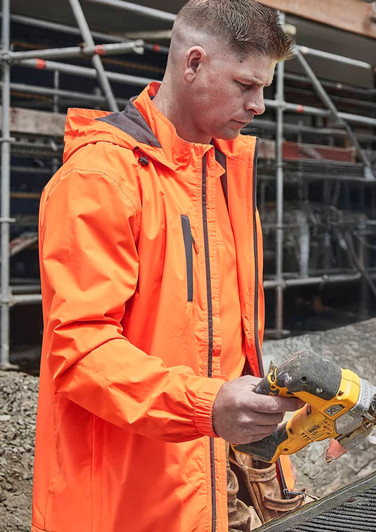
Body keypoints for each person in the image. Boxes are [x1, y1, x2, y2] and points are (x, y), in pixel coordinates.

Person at [32, 1, 305, 531]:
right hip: (126, 499)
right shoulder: (100, 179)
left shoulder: (222, 171)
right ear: (194, 63)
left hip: (208, 473)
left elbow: (227, 338)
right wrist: (206, 406)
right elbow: (81, 350)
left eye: (264, 88)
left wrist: (268, 433)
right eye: (247, 85)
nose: (260, 105)